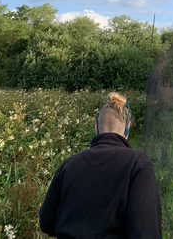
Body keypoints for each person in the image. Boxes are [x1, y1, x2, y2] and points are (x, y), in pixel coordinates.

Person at [39, 92, 162, 239]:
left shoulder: (69, 165)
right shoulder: (137, 165)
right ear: (127, 128)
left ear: (96, 129)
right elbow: (146, 232)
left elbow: (46, 222)